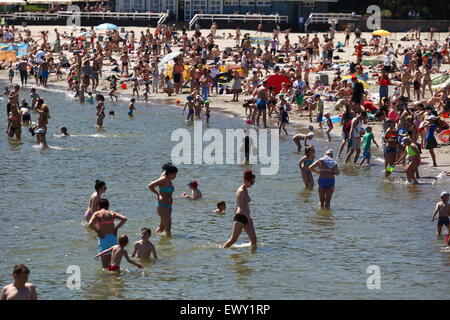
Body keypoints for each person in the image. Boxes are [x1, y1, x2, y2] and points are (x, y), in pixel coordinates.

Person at [88, 198, 128, 269]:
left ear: (99, 206)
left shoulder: (97, 214)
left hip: (103, 238)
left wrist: (98, 231)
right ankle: (114, 276)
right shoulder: (112, 213)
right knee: (113, 262)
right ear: (108, 206)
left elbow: (90, 224)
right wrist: (116, 228)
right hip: (113, 238)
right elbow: (124, 219)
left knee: (105, 266)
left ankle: (107, 279)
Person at [224, 170, 257, 248]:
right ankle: (223, 251)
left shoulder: (246, 189)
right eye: (251, 182)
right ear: (245, 180)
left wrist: (249, 218)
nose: (252, 184)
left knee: (254, 240)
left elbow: (240, 205)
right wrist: (248, 218)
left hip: (246, 217)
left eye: (253, 182)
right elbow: (240, 206)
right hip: (241, 217)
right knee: (233, 240)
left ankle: (253, 257)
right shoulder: (241, 191)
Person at [148, 163, 178, 236]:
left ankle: (153, 237)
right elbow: (150, 186)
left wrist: (169, 166)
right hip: (163, 207)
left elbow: (165, 170)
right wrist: (158, 193)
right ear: (169, 173)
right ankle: (168, 246)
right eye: (174, 174)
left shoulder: (168, 178)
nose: (175, 176)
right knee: (168, 231)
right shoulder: (163, 179)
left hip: (168, 207)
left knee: (161, 228)